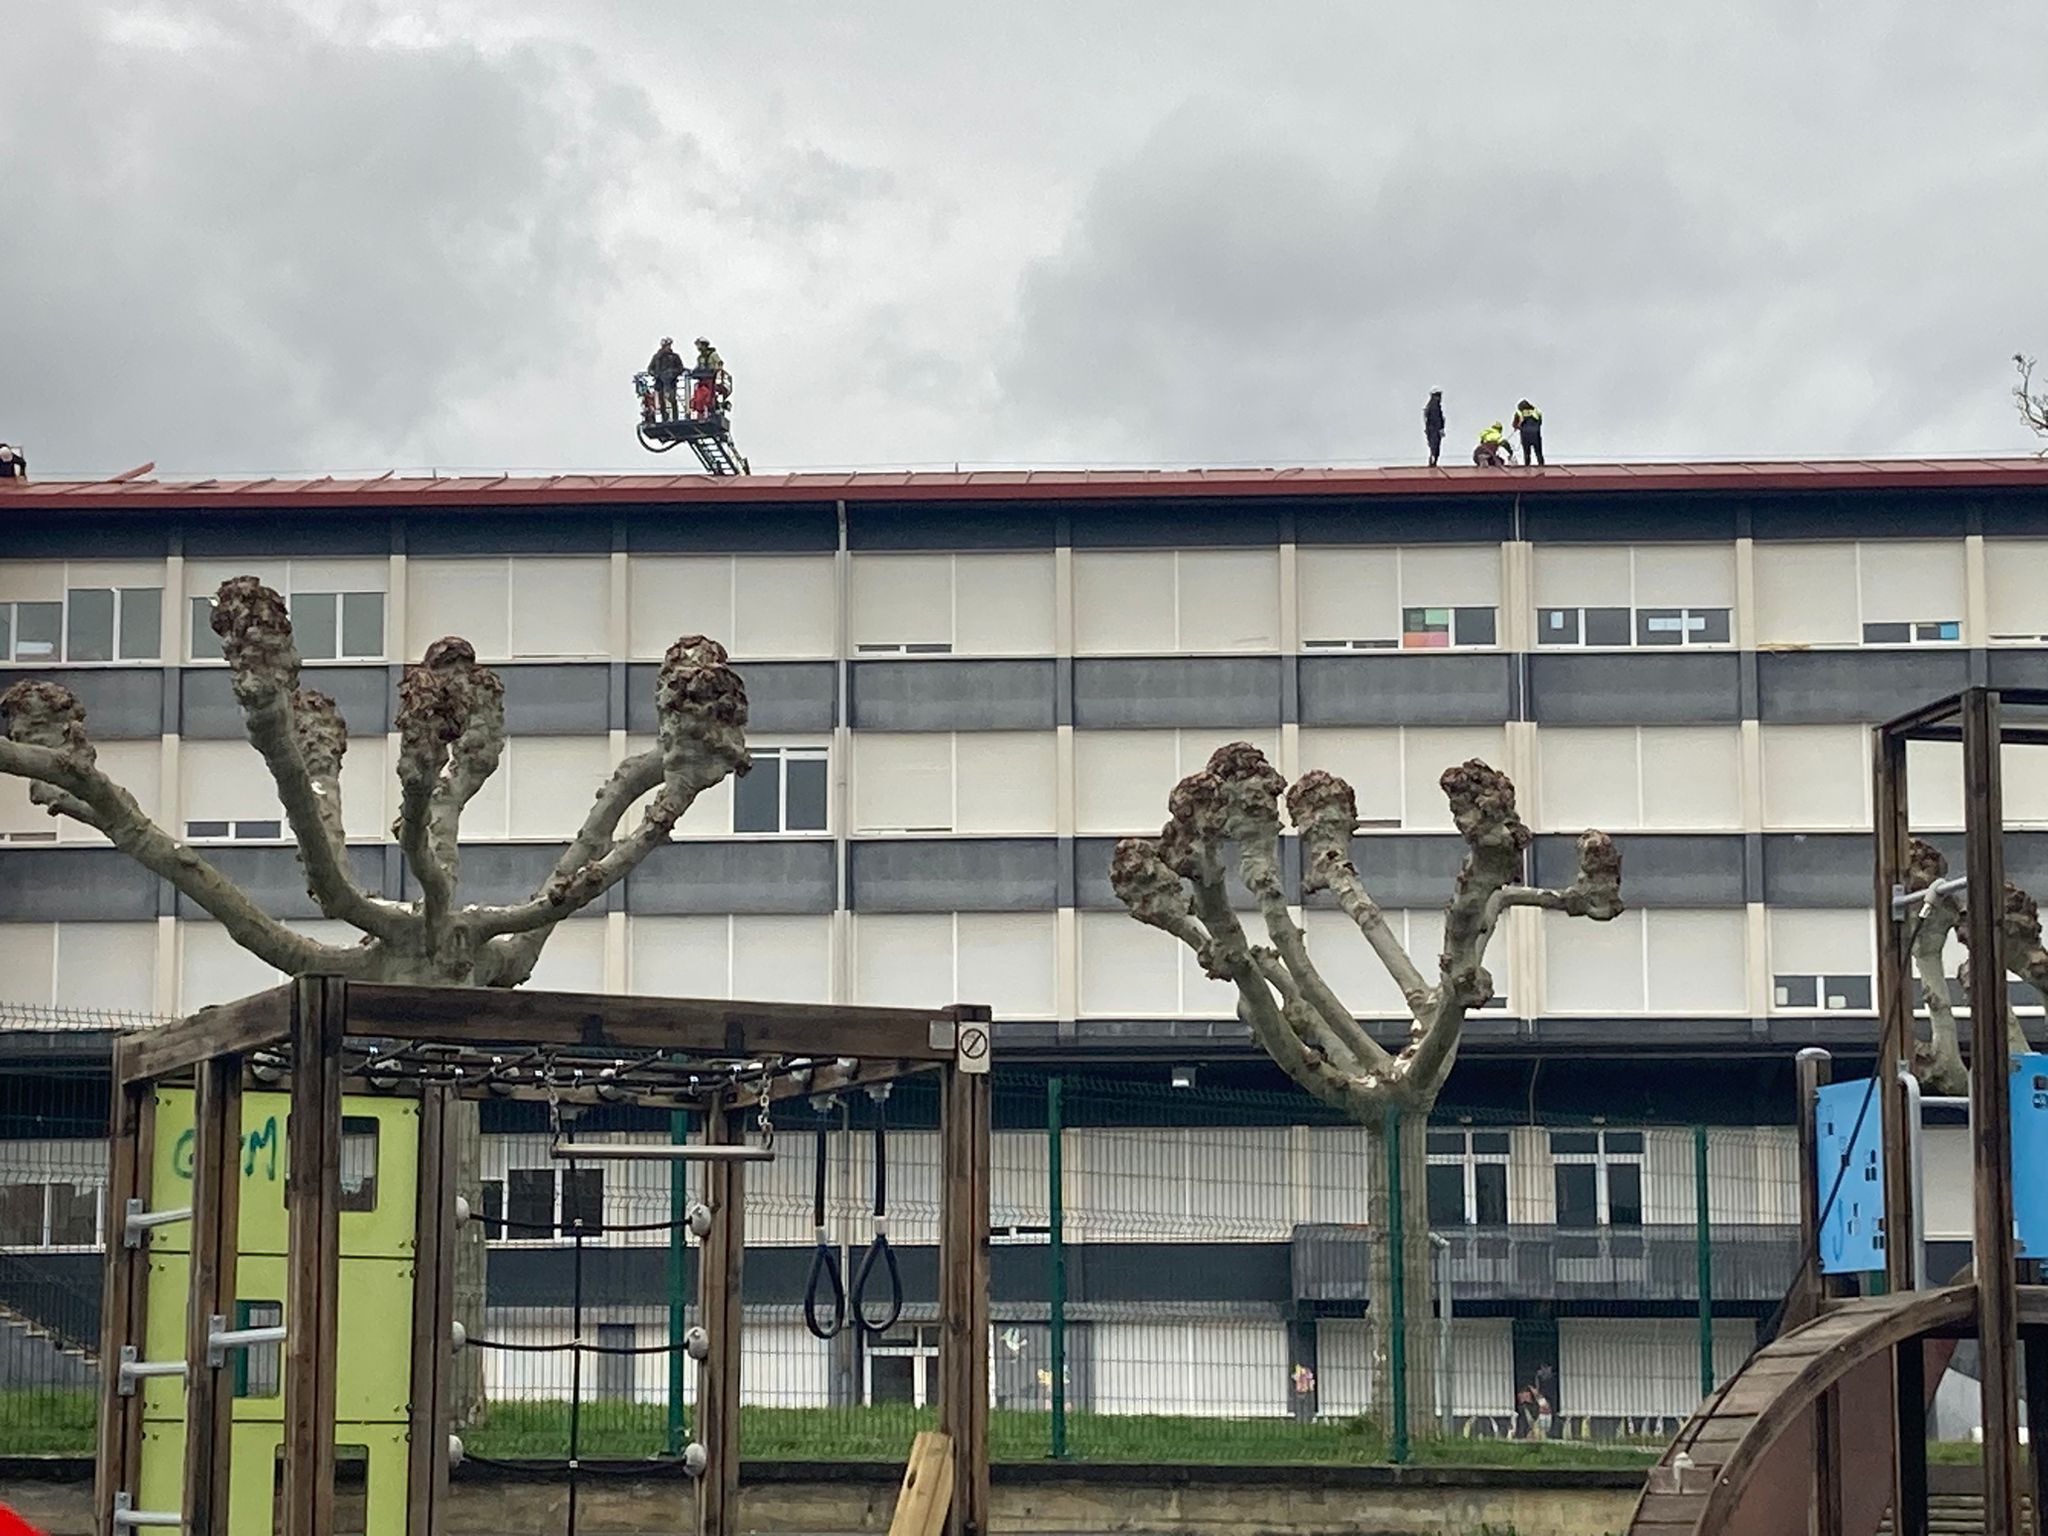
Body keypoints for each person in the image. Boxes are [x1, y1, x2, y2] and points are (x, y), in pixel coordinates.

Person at [648, 338, 685, 421]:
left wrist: (673, 373)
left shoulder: (675, 357)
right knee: (661, 400)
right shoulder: (657, 357)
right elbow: (650, 369)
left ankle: (675, 418)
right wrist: (657, 374)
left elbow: (680, 368)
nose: (667, 347)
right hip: (660, 382)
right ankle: (664, 417)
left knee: (672, 399)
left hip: (671, 381)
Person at [1513, 399, 1545, 466]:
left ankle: (1527, 467)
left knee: (1527, 453)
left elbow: (1514, 425)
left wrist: (1519, 427)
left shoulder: (1519, 413)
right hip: (1536, 435)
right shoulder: (1536, 412)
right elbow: (1540, 423)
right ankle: (1542, 466)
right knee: (1539, 453)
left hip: (1525, 435)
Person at [1423, 390, 1446, 467]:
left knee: (1433, 447)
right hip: (1434, 430)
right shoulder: (1434, 406)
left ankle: (1433, 461)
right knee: (1435, 448)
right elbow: (1436, 419)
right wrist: (1441, 429)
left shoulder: (1430, 406)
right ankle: (1433, 462)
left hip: (1431, 430)